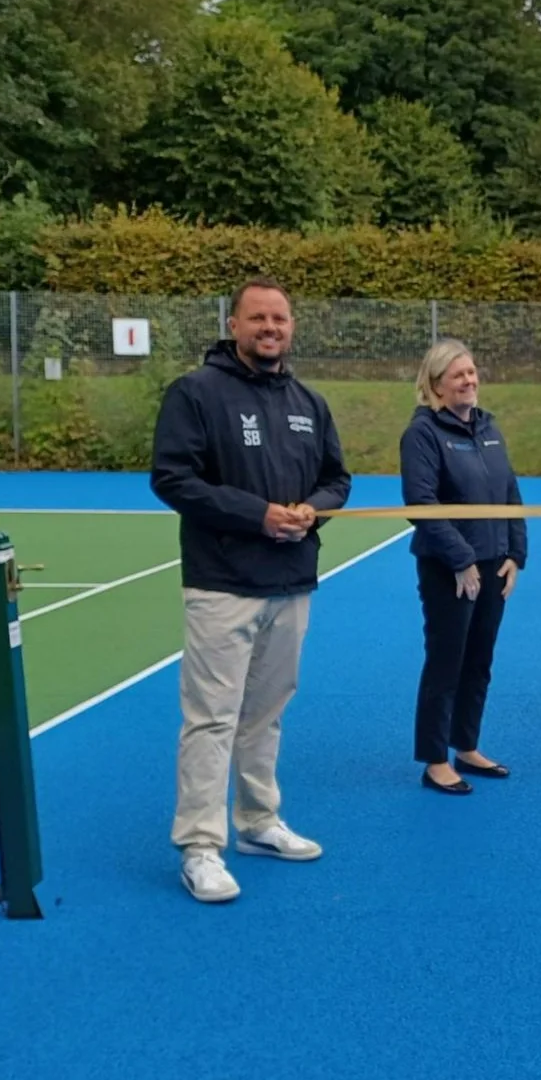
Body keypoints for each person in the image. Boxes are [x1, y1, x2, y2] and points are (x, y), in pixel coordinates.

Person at [149, 276, 351, 905]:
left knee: (265, 715)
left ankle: (259, 822)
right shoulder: (195, 393)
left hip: (291, 584)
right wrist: (258, 514)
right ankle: (200, 847)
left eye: (281, 319)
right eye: (258, 318)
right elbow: (173, 479)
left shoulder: (309, 402)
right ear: (233, 324)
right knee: (211, 719)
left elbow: (336, 480)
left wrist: (311, 510)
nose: (271, 328)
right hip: (222, 585)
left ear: (292, 328)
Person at [400, 339, 527, 795]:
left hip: (494, 566)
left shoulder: (489, 427)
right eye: (458, 375)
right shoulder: (423, 434)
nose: (469, 381)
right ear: (435, 385)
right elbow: (421, 504)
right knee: (446, 662)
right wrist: (460, 559)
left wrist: (516, 555)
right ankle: (435, 759)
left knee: (479, 662)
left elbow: (509, 494)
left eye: (472, 373)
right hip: (448, 569)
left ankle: (466, 746)